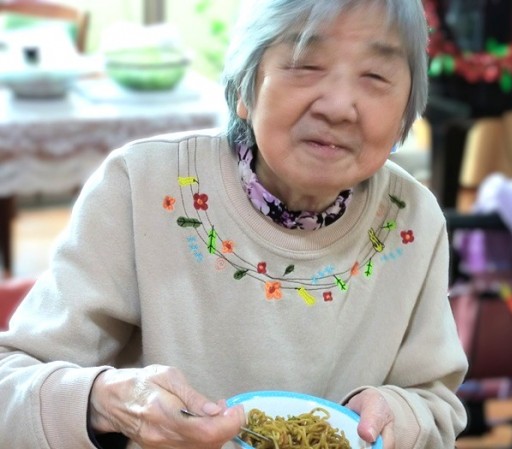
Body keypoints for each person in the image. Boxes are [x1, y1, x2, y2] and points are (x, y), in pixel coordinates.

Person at [0, 0, 469, 448]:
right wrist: (106, 404)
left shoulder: (413, 220)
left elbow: (435, 404)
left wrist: (394, 415)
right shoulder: (140, 186)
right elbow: (11, 385)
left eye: (376, 76)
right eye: (305, 64)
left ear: (406, 112)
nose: (338, 106)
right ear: (246, 87)